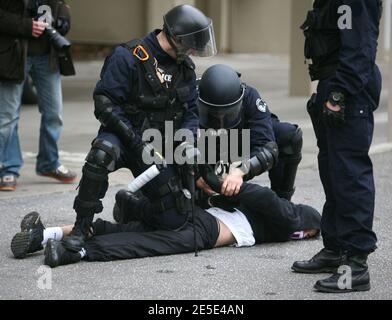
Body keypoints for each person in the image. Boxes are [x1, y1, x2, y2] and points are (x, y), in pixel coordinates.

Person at [61, 4, 217, 255]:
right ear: (176, 37)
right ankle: (82, 227)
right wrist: (134, 141)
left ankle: (130, 206)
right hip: (125, 137)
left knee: (174, 222)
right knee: (102, 153)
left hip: (158, 145)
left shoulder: (184, 68)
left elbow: (190, 111)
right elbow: (105, 105)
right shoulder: (128, 56)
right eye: (190, 44)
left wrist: (187, 142)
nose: (193, 51)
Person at [10, 182, 321, 268]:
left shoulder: (281, 221)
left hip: (202, 219)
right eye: (310, 233)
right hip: (208, 228)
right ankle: (76, 253)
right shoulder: (294, 217)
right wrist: (229, 184)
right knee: (148, 244)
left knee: (128, 231)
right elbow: (277, 207)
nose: (307, 236)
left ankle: (45, 234)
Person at [292, 0, 383, 293]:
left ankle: (355, 264)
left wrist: (340, 92)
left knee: (350, 174)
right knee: (332, 171)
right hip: (331, 82)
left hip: (348, 89)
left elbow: (361, 48)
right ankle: (334, 249)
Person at [0, 0, 77, 191]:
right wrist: (27, 26)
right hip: (14, 54)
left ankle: (49, 163)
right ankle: (8, 168)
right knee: (8, 117)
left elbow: (62, 8)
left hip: (47, 55)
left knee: (54, 113)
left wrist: (62, 22)